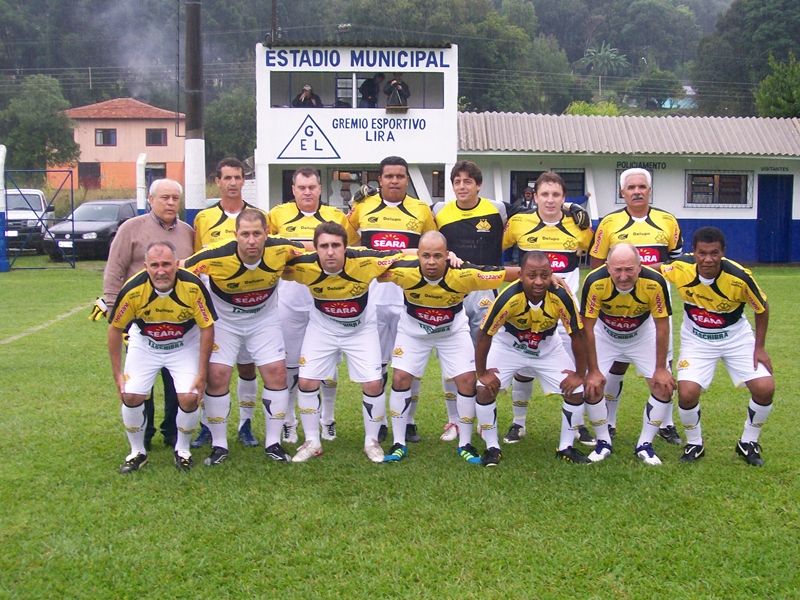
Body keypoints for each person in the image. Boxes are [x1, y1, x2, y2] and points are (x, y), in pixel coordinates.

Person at [378, 230, 519, 464]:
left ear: (447, 255)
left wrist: (548, 276)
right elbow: (365, 264)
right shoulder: (403, 270)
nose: (431, 262)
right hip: (413, 332)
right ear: (418, 255)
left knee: (466, 380)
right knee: (401, 377)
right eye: (425, 256)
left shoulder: (462, 273)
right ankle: (399, 442)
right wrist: (406, 252)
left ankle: (465, 443)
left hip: (452, 332)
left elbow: (506, 273)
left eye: (437, 256)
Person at [183, 209, 305, 464]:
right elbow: (178, 270)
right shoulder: (214, 255)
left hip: (263, 321)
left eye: (257, 234)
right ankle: (219, 446)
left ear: (267, 233)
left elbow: (315, 250)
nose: (251, 240)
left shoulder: (282, 248)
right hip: (225, 323)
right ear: (235, 234)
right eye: (245, 234)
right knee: (218, 376)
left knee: (277, 374)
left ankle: (273, 443)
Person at [281, 222, 406, 463]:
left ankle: (371, 441)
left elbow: (404, 253)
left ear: (346, 247)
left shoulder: (366, 260)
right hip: (322, 329)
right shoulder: (303, 266)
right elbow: (269, 260)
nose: (330, 252)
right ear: (315, 248)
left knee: (373, 383)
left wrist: (446, 253)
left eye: (336, 245)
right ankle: (312, 441)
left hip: (360, 331)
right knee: (306, 381)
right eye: (324, 246)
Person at [474, 251, 604, 466]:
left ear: (551, 274)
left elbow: (577, 335)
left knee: (576, 390)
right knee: (483, 388)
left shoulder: (561, 296)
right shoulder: (507, 298)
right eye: (531, 275)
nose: (538, 281)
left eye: (544, 275)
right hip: (509, 348)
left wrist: (580, 374)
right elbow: (484, 335)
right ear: (520, 275)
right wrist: (482, 373)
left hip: (548, 349)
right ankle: (492, 447)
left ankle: (566, 447)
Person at [660, 227, 775, 466]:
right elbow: (655, 269)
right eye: (702, 253)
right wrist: (625, 268)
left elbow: (762, 308)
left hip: (736, 339)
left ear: (723, 252)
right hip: (697, 340)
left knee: (765, 388)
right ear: (694, 252)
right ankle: (695, 444)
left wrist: (760, 348)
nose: (708, 259)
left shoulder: (740, 277)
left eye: (714, 253)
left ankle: (748, 442)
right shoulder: (681, 267)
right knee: (687, 393)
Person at [589, 168, 683, 445]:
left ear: (649, 190)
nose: (637, 191)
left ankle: (666, 423)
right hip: (617, 306)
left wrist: (653, 272)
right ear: (622, 192)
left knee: (663, 364)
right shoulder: (609, 223)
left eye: (642, 186)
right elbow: (597, 265)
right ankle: (610, 422)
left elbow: (677, 262)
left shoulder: (668, 221)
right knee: (616, 365)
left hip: (654, 306)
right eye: (631, 187)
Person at [501, 171, 594, 446]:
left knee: (576, 368)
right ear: (535, 196)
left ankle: (578, 425)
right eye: (545, 194)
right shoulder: (519, 222)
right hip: (525, 310)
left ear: (564, 198)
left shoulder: (578, 224)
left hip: (566, 312)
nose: (550, 200)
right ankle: (518, 423)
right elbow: (494, 251)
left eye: (556, 195)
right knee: (523, 367)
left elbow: (598, 254)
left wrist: (576, 210)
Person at [267, 167, 359, 445]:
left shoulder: (335, 216)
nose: (307, 192)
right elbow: (267, 248)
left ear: (320, 188)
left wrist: (297, 246)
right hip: (290, 299)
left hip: (326, 299)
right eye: (301, 187)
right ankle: (289, 422)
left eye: (312, 187)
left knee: (327, 366)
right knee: (290, 365)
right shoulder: (277, 215)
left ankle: (327, 419)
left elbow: (350, 250)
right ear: (293, 190)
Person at [347, 156, 436, 443]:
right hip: (373, 298)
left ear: (407, 179)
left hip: (410, 297)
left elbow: (432, 246)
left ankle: (408, 421)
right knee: (378, 364)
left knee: (409, 365)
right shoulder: (363, 208)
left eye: (400, 176)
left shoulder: (421, 210)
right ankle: (381, 421)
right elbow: (347, 242)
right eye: (389, 176)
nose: (395, 180)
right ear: (380, 179)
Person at [101, 178, 194, 450]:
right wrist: (113, 308)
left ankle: (173, 432)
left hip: (179, 320)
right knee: (142, 380)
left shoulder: (188, 232)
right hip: (139, 318)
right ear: (151, 200)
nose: (170, 203)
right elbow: (115, 269)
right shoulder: (131, 228)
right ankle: (144, 432)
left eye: (175, 198)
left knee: (176, 380)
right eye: (164, 198)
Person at [108, 241, 216, 473]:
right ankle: (137, 452)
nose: (161, 271)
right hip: (146, 344)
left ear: (176, 264)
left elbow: (207, 327)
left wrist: (202, 372)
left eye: (166, 264)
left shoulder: (193, 286)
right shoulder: (133, 289)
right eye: (155, 265)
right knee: (130, 394)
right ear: (145, 266)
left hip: (184, 344)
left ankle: (183, 450)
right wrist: (117, 374)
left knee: (189, 397)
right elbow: (115, 329)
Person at [432, 161, 508, 442]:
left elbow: (534, 211)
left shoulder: (497, 209)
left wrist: (570, 207)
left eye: (468, 181)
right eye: (457, 181)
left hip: (485, 291)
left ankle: (484, 416)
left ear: (478, 185)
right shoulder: (439, 211)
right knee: (451, 357)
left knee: (485, 356)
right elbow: (430, 241)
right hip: (452, 290)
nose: (462, 186)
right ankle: (454, 420)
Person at [580, 243, 675, 465]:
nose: (623, 276)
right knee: (591, 386)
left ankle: (645, 445)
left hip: (642, 335)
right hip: (605, 335)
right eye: (618, 270)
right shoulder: (594, 281)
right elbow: (587, 327)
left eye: (629, 269)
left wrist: (661, 369)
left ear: (640, 266)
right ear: (608, 267)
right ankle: (603, 441)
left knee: (663, 386)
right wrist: (592, 370)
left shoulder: (655, 282)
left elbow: (662, 326)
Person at [191, 158, 262, 449]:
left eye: (237, 177)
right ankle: (208, 426)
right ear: (217, 181)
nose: (233, 183)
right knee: (214, 370)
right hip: (216, 309)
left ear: (244, 180)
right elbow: (196, 264)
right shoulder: (204, 218)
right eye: (227, 178)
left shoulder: (258, 216)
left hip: (250, 307)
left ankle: (246, 425)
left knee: (247, 368)